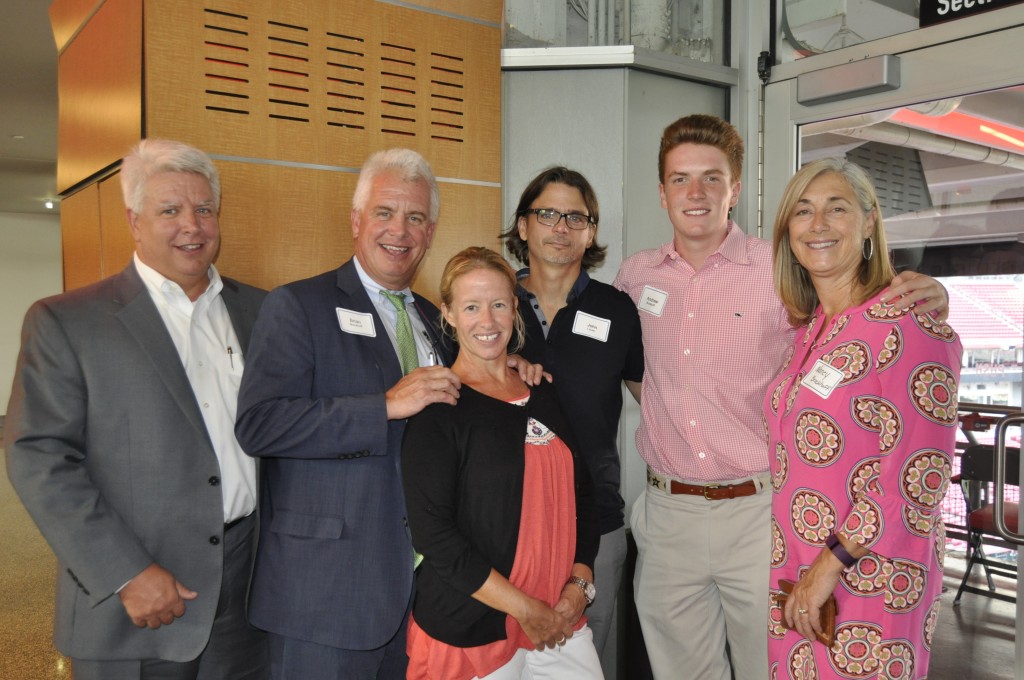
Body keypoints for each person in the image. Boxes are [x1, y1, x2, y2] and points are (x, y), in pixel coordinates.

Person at [611, 114, 950, 680]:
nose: (695, 194)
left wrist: (931, 293)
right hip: (668, 512)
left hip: (761, 511)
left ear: (735, 189)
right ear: (662, 191)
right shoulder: (634, 276)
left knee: (774, 665)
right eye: (679, 179)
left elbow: (867, 322)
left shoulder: (781, 268)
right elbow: (630, 369)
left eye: (712, 178)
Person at [234, 149, 541, 680]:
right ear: (356, 220)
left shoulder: (436, 319)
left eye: (416, 217)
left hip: (424, 596)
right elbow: (259, 424)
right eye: (385, 212)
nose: (400, 230)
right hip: (326, 598)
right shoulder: (297, 307)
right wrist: (382, 407)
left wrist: (502, 361)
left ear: (430, 231)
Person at [4, 139, 269, 680]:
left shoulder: (264, 311)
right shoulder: (68, 321)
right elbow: (39, 458)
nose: (191, 226)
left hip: (247, 597)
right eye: (169, 210)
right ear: (133, 220)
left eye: (204, 209)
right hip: (137, 602)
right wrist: (126, 573)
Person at [765, 157, 962, 679]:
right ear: (788, 232)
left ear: (869, 220)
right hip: (800, 566)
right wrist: (809, 573)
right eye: (803, 212)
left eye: (837, 208)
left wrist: (828, 566)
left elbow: (919, 478)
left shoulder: (909, 323)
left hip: (870, 574)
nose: (819, 224)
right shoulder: (809, 330)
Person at [401, 246, 603, 679]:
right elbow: (434, 536)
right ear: (449, 314)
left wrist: (579, 584)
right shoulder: (440, 408)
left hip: (557, 620)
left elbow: (583, 495)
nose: (487, 322)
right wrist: (522, 608)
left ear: (515, 307)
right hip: (472, 631)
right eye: (471, 307)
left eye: (497, 304)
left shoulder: (542, 389)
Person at [502, 166, 644, 660]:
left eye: (575, 217)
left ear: (591, 232)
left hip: (596, 521)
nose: (560, 227)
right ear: (523, 226)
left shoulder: (618, 311)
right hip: (504, 525)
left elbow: (658, 399)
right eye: (547, 213)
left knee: (589, 662)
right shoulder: (492, 306)